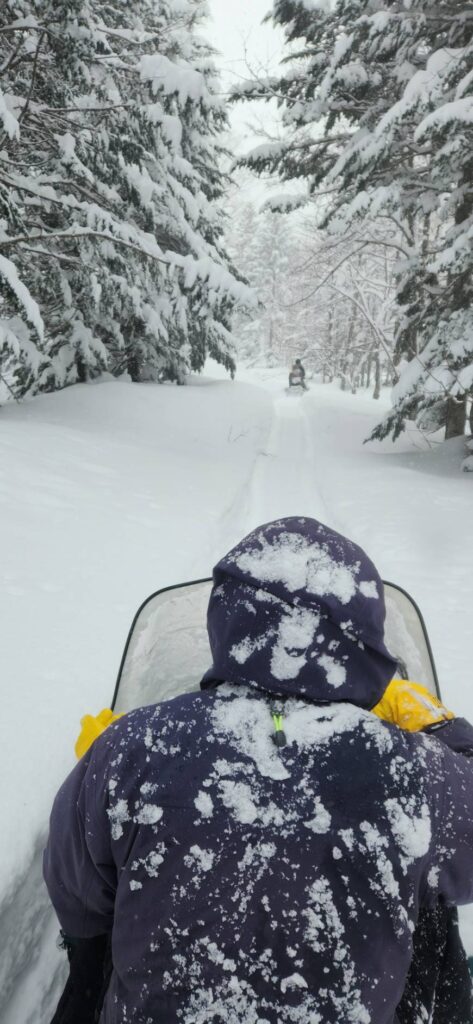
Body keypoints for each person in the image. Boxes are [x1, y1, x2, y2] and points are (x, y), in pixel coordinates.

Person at [43, 517, 473, 1024]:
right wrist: (440, 726)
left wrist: (109, 768)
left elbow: (78, 895)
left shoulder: (134, 746)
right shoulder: (414, 770)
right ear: (363, 638)